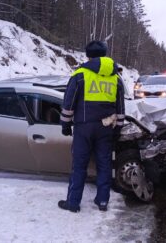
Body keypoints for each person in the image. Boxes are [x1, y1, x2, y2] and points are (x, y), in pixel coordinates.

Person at [58, 41, 125, 213]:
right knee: (104, 164)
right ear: (104, 54)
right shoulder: (116, 77)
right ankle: (102, 201)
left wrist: (65, 125)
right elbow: (120, 107)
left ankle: (73, 203)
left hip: (84, 127)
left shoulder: (80, 75)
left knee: (79, 165)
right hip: (106, 127)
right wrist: (118, 127)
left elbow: (69, 103)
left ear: (88, 55)